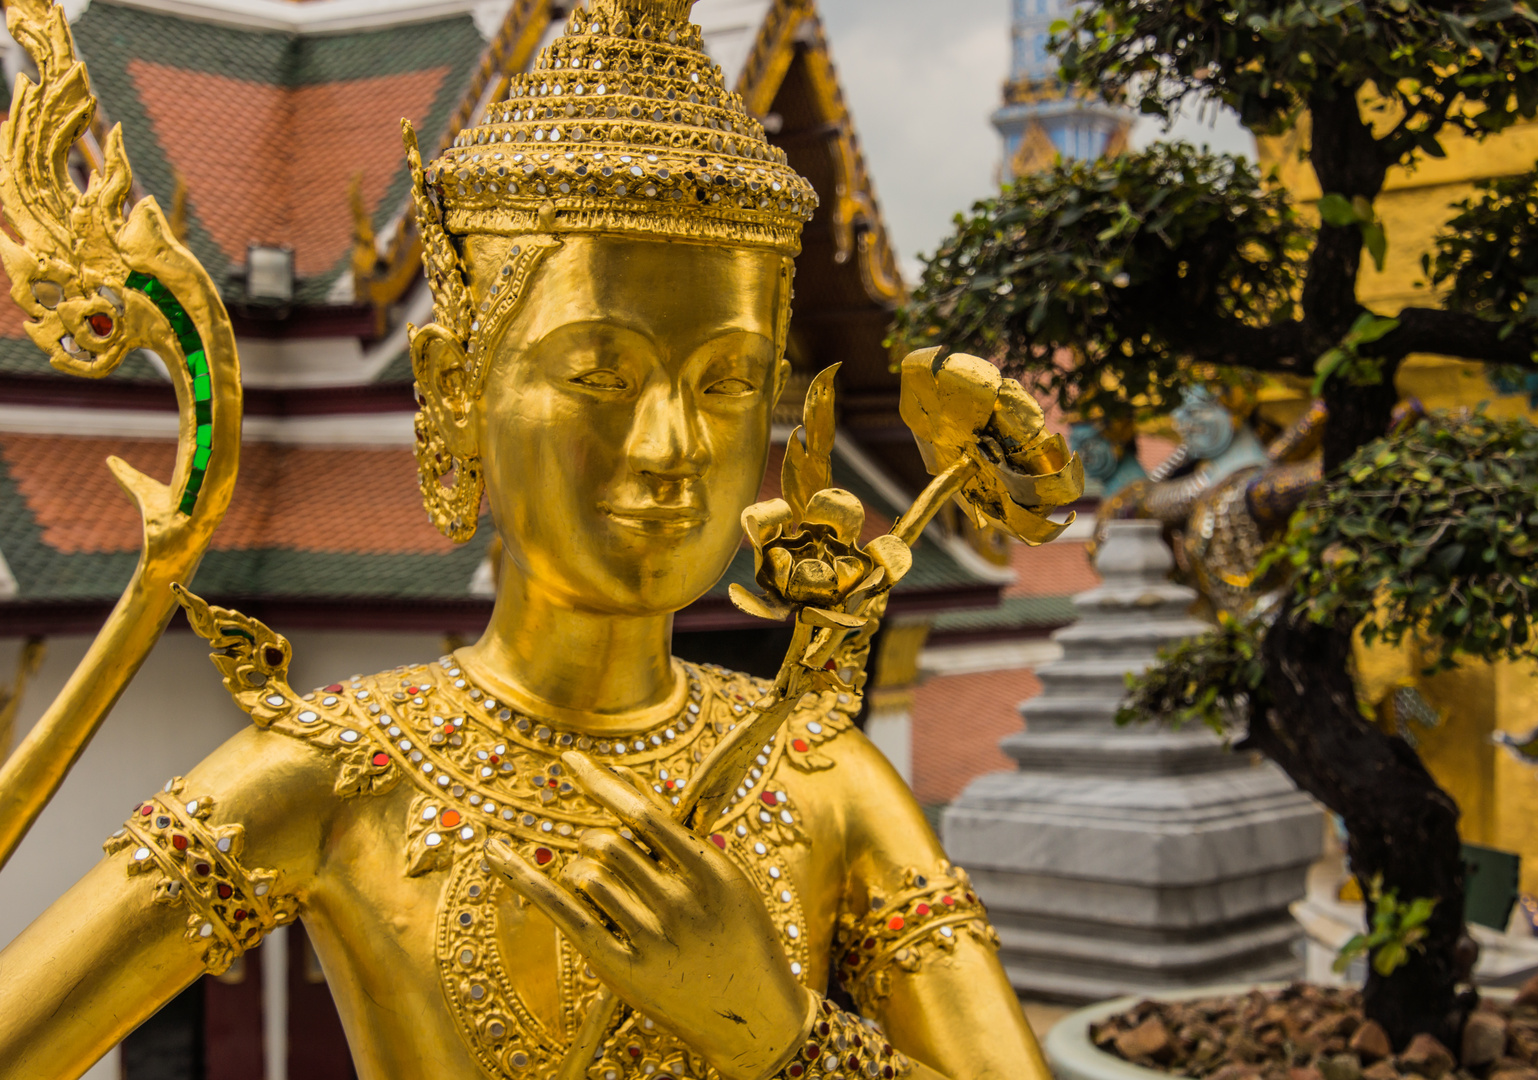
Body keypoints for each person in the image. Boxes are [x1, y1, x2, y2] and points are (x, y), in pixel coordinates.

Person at [0, 3, 1052, 1077]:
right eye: (600, 372)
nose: (669, 445)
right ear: (458, 390)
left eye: (729, 382)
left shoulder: (825, 776)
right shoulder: (337, 773)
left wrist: (779, 1034)